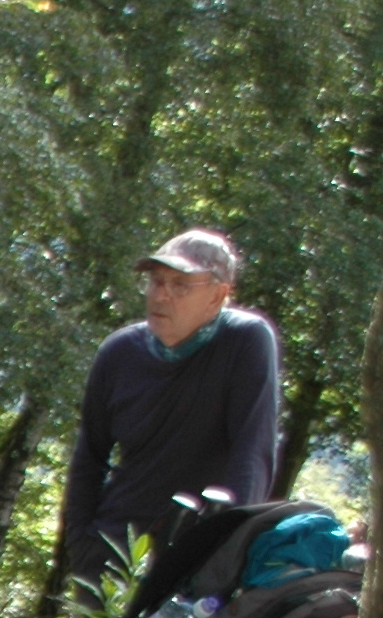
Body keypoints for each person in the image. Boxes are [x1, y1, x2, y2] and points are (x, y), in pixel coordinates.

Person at [62, 228, 282, 595]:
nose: (160, 294)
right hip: (112, 550)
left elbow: (253, 453)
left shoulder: (246, 341)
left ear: (218, 295)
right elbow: (89, 456)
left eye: (180, 284)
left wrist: (226, 549)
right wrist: (81, 545)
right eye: (155, 281)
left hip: (196, 553)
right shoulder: (119, 352)